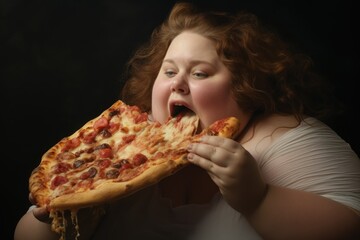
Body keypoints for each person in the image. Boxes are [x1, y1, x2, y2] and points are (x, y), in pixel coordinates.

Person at [14, 2, 360, 239]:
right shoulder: (118, 148)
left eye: (199, 72)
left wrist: (257, 197)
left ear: (246, 86)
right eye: (168, 71)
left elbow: (350, 228)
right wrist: (51, 213)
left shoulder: (288, 138)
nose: (178, 83)